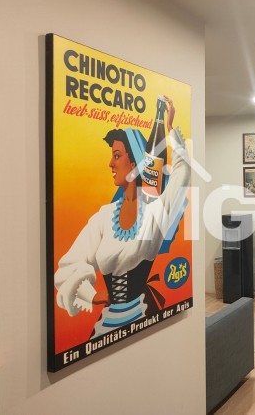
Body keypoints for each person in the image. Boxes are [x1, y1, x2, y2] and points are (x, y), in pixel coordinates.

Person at [54, 96, 190, 339]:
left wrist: (170, 128)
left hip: (143, 316)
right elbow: (69, 265)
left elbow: (182, 172)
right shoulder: (104, 217)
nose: (110, 163)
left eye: (116, 156)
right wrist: (92, 295)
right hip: (106, 326)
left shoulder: (155, 212)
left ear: (135, 163)